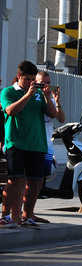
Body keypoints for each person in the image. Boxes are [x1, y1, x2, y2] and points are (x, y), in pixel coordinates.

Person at [1, 61, 57, 228]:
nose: (32, 83)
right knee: (15, 180)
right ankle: (6, 216)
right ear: (19, 77)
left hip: (37, 144)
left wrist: (47, 97)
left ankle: (27, 215)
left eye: (34, 79)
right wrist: (27, 95)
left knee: (35, 181)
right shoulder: (8, 92)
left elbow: (52, 114)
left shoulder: (39, 94)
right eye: (28, 79)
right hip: (16, 143)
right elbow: (10, 111)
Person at [34, 71, 65, 224]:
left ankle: (30, 210)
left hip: (47, 143)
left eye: (48, 82)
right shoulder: (33, 96)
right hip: (35, 143)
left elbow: (60, 118)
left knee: (40, 179)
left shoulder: (50, 99)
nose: (46, 85)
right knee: (31, 179)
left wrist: (57, 101)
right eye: (43, 82)